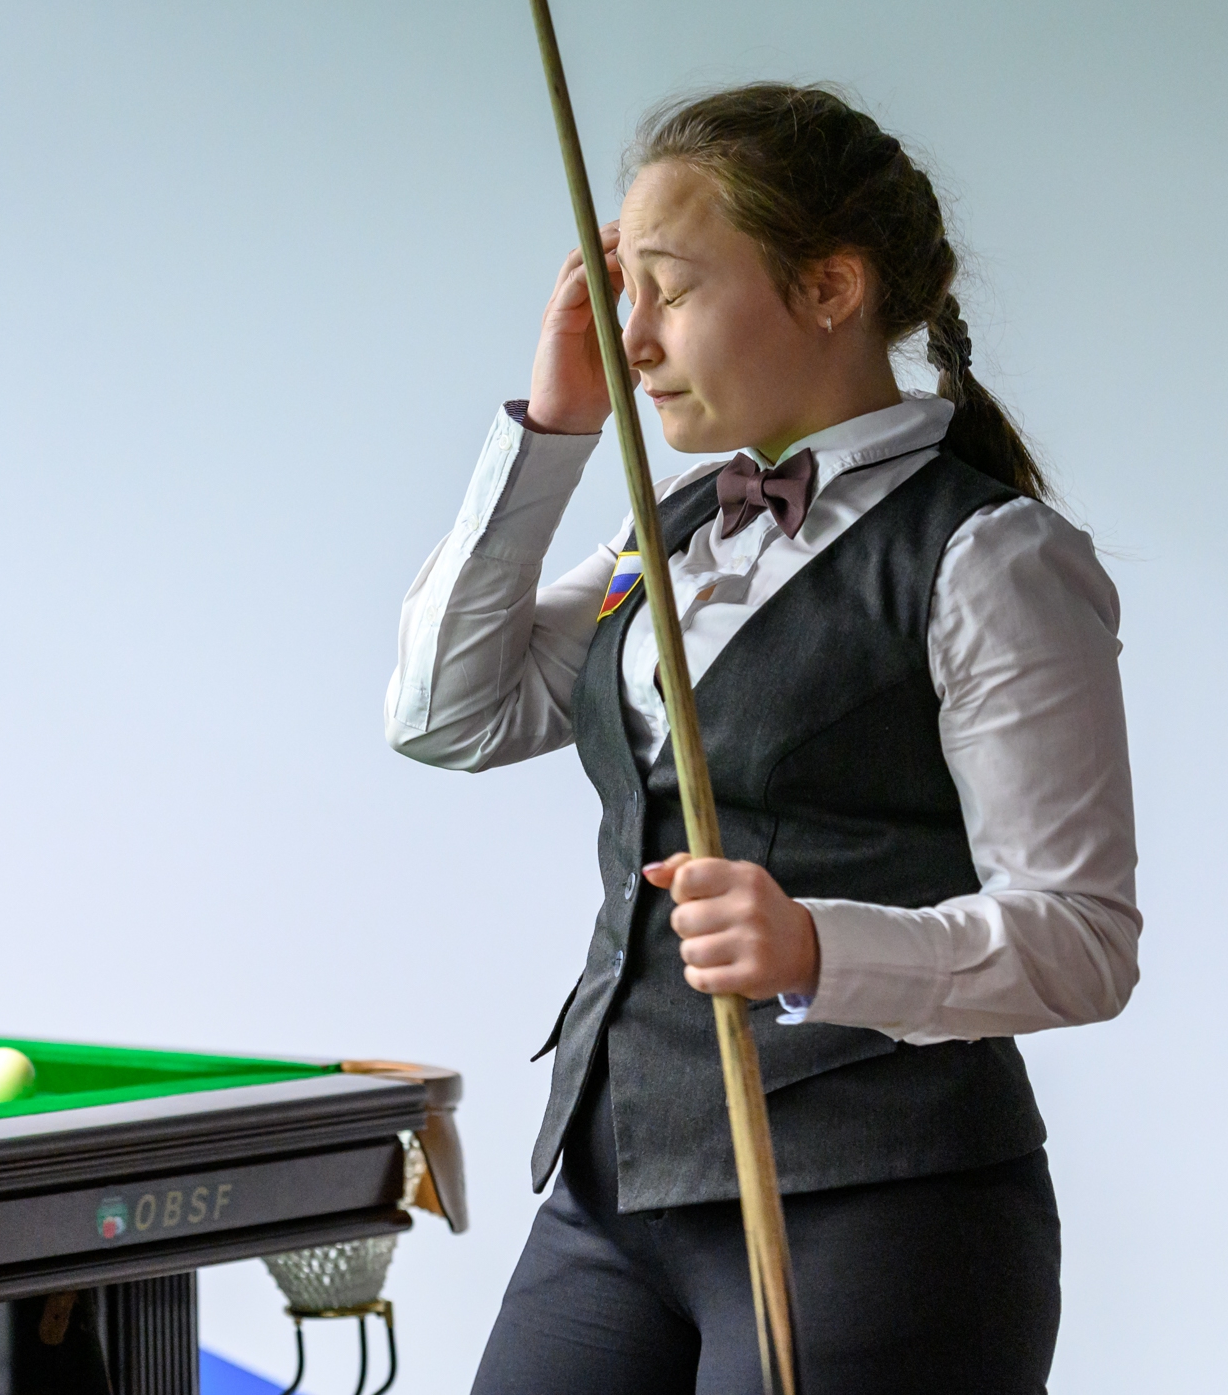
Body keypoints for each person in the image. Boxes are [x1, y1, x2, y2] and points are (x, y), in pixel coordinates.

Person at [386, 84, 1139, 1394]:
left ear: (831, 286)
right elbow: (449, 715)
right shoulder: (677, 525)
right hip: (614, 1191)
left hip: (881, 1215)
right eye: (619, 292)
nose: (633, 338)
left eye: (670, 290)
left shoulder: (991, 556)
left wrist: (816, 948)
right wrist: (554, 430)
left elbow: (1082, 940)